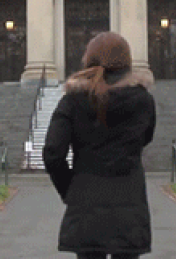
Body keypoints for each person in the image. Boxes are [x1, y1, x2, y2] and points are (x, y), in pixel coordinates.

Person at [43, 32, 156, 259]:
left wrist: (69, 190)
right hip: (129, 200)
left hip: (86, 199)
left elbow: (53, 153)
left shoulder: (73, 101)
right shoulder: (142, 100)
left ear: (89, 59)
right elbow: (146, 138)